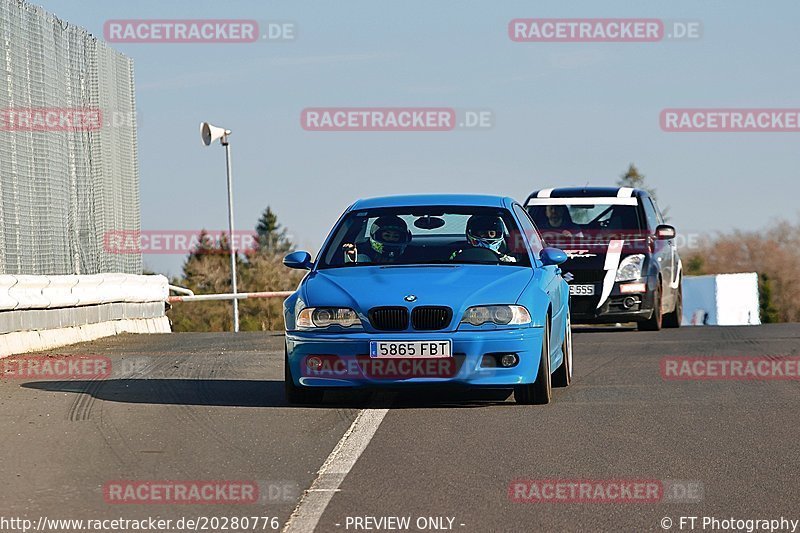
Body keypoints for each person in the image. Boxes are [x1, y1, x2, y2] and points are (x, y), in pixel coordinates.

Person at [343, 215, 410, 264]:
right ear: (377, 236)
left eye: (395, 236)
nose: (391, 239)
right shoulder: (363, 254)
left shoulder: (411, 256)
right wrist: (352, 261)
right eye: (387, 235)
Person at [450, 215, 517, 263]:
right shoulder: (459, 255)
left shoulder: (506, 259)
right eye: (483, 233)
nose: (488, 236)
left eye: (492, 233)